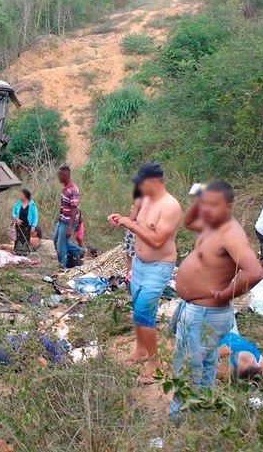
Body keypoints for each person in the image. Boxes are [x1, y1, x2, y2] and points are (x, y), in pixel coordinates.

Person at [170, 181, 263, 418]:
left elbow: (254, 271)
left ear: (229, 206)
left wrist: (225, 294)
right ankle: (182, 415)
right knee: (189, 365)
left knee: (196, 369)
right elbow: (188, 222)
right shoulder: (212, 224)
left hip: (206, 314)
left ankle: (195, 421)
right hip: (193, 310)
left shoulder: (231, 233)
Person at [108, 163, 181, 381]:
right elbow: (138, 223)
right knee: (137, 306)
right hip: (140, 264)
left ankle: (155, 361)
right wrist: (122, 219)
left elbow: (158, 240)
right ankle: (141, 350)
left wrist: (130, 225)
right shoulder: (146, 199)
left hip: (159, 266)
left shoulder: (170, 206)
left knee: (143, 312)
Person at [54, 166, 83, 268]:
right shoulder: (65, 188)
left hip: (67, 222)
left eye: (60, 176)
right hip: (62, 220)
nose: (58, 178)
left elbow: (74, 209)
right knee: (57, 240)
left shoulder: (72, 190)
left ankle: (63, 267)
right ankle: (80, 251)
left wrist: (70, 227)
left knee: (60, 246)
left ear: (66, 176)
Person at [120, 185, 143, 281]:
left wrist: (121, 220)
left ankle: (129, 280)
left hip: (134, 234)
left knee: (131, 260)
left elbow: (131, 219)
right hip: (141, 233)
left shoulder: (138, 200)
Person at [12, 189, 39, 255]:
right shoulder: (18, 203)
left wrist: (33, 226)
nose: (20, 196)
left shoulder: (32, 204)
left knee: (25, 239)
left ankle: (24, 253)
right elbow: (13, 212)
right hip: (19, 224)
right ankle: (17, 252)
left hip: (27, 225)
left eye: (22, 195)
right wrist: (16, 219)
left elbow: (35, 216)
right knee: (18, 238)